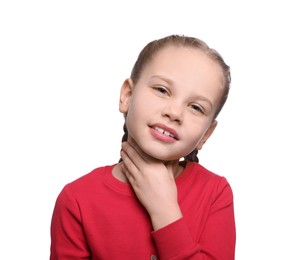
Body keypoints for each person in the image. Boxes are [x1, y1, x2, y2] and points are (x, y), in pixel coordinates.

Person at [50, 34, 236, 260]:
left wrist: (165, 210)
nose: (174, 113)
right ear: (127, 95)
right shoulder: (77, 199)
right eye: (162, 90)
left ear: (206, 134)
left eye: (196, 107)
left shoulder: (215, 193)